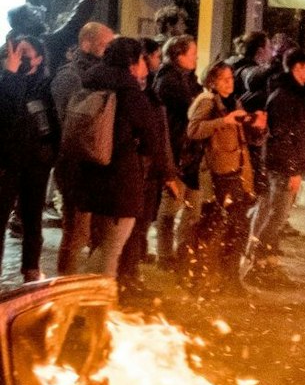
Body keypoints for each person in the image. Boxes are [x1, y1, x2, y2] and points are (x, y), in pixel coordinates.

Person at [56, 37, 184, 286]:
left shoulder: (90, 84)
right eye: (142, 60)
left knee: (97, 243)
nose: (145, 66)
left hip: (89, 177)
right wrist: (165, 173)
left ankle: (75, 290)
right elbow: (153, 139)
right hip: (120, 181)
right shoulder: (130, 94)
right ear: (132, 63)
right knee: (111, 248)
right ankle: (94, 300)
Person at [183, 62, 256, 293]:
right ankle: (204, 276)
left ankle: (226, 276)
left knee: (235, 226)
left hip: (235, 171)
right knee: (215, 226)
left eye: (231, 78)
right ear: (212, 82)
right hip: (217, 174)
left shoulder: (232, 102)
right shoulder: (207, 102)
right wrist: (224, 121)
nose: (229, 82)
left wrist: (256, 125)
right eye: (224, 79)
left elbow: (241, 137)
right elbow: (193, 130)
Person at [244, 49, 305, 284]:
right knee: (276, 216)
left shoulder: (295, 95)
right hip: (282, 167)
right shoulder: (284, 97)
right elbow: (282, 137)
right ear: (297, 68)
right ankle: (257, 262)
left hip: (286, 165)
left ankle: (267, 261)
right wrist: (293, 169)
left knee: (276, 216)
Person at [1, 34, 58, 283]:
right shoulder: (5, 81)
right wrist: (11, 75)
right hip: (7, 163)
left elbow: (54, 122)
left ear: (38, 59)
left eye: (25, 54)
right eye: (16, 52)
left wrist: (51, 153)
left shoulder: (46, 88)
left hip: (36, 163)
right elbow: (5, 112)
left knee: (33, 217)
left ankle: (31, 268)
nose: (19, 58)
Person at [152, 35, 204, 268]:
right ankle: (165, 255)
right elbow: (192, 109)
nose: (196, 58)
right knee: (171, 207)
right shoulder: (169, 81)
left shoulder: (188, 78)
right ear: (178, 55)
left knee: (193, 208)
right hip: (177, 151)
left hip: (191, 152)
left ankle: (183, 251)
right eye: (192, 54)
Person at [8, 0, 100, 72]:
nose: (39, 12)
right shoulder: (43, 44)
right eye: (33, 12)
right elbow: (72, 26)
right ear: (27, 22)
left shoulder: (12, 52)